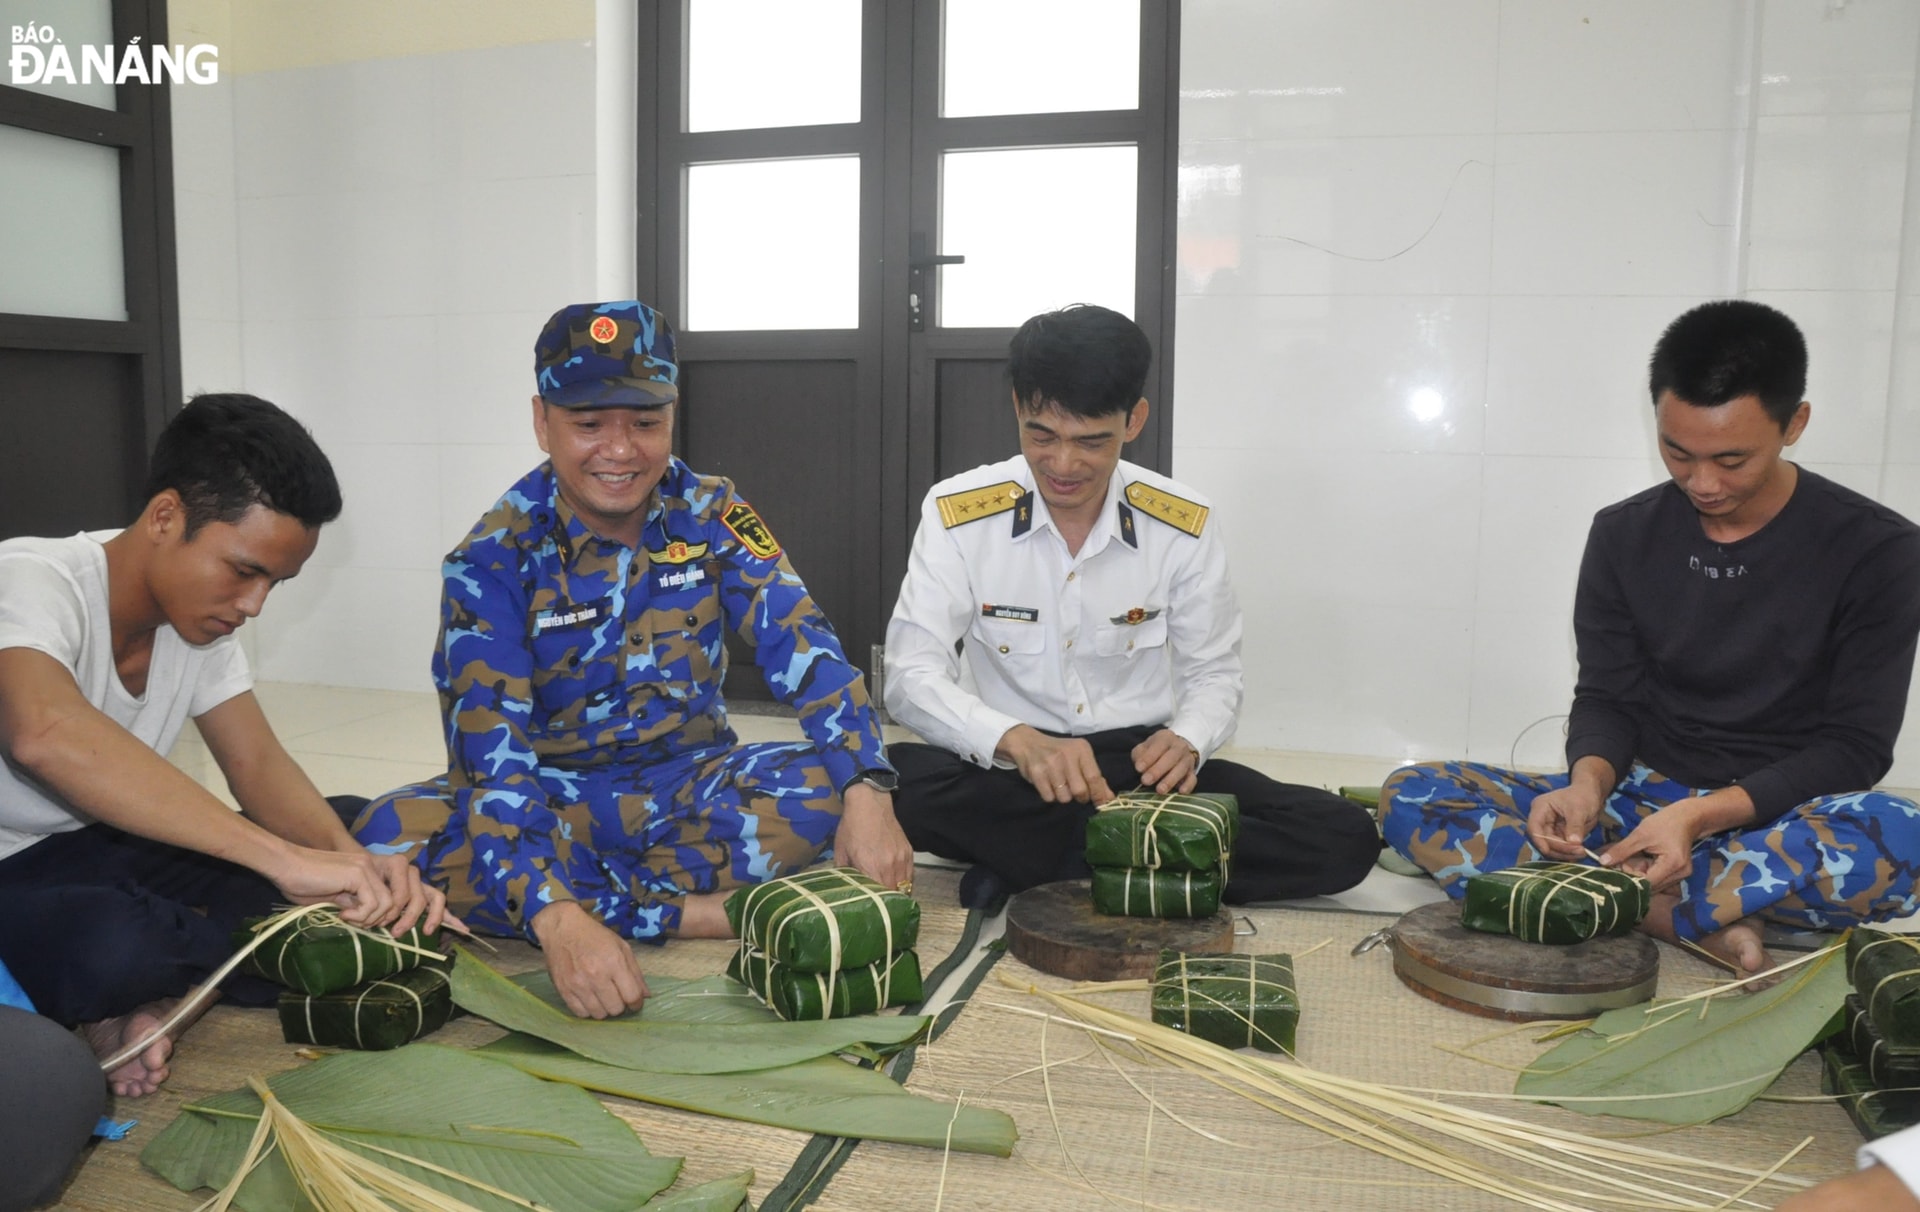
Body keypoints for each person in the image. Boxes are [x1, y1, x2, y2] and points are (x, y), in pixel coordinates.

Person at [353, 300, 912, 1020]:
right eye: (589, 424)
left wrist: (868, 788)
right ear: (541, 420)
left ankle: (593, 901)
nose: (620, 450)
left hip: (690, 787)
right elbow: (492, 764)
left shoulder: (711, 513)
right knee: (387, 836)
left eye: (644, 422)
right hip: (557, 797)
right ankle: (697, 913)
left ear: (672, 417)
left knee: (830, 784)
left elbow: (805, 645)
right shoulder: (490, 559)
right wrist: (556, 916)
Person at [1381, 299, 1920, 974]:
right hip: (1636, 807)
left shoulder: (1879, 550)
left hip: (1776, 815)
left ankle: (1610, 895)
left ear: (1796, 424)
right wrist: (1585, 788)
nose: (1703, 483)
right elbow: (1609, 696)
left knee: (1898, 838)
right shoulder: (1623, 534)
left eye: (1731, 459)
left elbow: (1855, 747)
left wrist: (1697, 821)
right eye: (1677, 452)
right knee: (1414, 794)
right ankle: (1683, 914)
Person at [0, 394, 447, 1099]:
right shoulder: (30, 580)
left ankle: (164, 998)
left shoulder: (198, 622)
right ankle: (171, 984)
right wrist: (286, 862)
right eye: (244, 571)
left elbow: (258, 768)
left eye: (276, 581)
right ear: (165, 516)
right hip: (10, 868)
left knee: (358, 829)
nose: (255, 605)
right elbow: (43, 733)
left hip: (101, 844)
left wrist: (351, 868)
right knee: (115, 945)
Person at [883, 303, 1381, 907]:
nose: (1063, 465)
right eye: (1042, 435)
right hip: (1009, 769)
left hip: (1138, 771)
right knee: (894, 785)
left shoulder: (1181, 522)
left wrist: (1189, 740)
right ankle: (1133, 860)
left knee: (1344, 836)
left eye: (1091, 442)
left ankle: (1034, 864)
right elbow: (910, 676)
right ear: (1018, 405)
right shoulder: (958, 511)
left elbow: (1214, 674)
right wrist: (1016, 739)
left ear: (1134, 420)